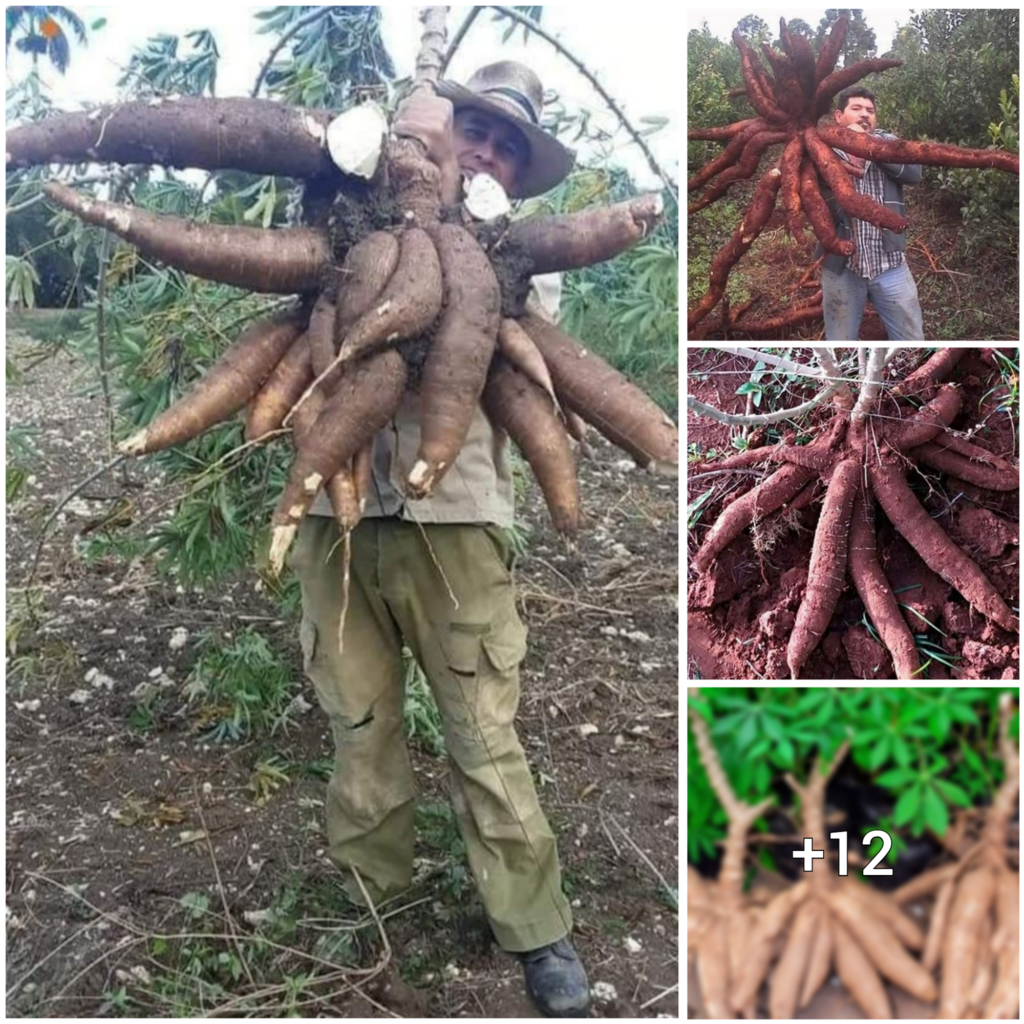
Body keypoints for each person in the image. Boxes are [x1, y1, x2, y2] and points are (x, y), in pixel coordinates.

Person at [288, 61, 590, 1017]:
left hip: (454, 522)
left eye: (508, 143)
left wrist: (464, 282)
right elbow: (298, 308)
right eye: (478, 127)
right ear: (436, 128)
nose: (488, 148)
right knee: (358, 724)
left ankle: (536, 930)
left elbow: (527, 367)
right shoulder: (344, 222)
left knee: (483, 732)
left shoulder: (517, 258)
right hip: (335, 518)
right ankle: (372, 907)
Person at [816, 86, 925, 341]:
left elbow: (914, 174)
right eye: (856, 109)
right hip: (841, 268)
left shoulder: (889, 143)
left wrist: (870, 147)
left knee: (911, 339)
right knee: (840, 342)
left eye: (870, 111)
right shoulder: (823, 150)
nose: (865, 115)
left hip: (890, 264)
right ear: (839, 116)